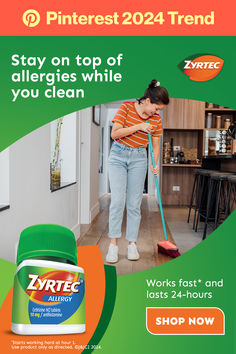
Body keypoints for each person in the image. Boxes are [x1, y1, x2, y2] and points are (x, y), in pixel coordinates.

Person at [106, 79, 169, 263]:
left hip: (139, 159)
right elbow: (114, 133)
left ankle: (132, 244)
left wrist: (154, 163)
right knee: (117, 201)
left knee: (134, 203)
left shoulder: (155, 120)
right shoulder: (126, 108)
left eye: (159, 111)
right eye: (156, 109)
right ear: (148, 100)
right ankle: (113, 245)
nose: (157, 113)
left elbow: (155, 145)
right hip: (118, 156)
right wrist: (140, 126)